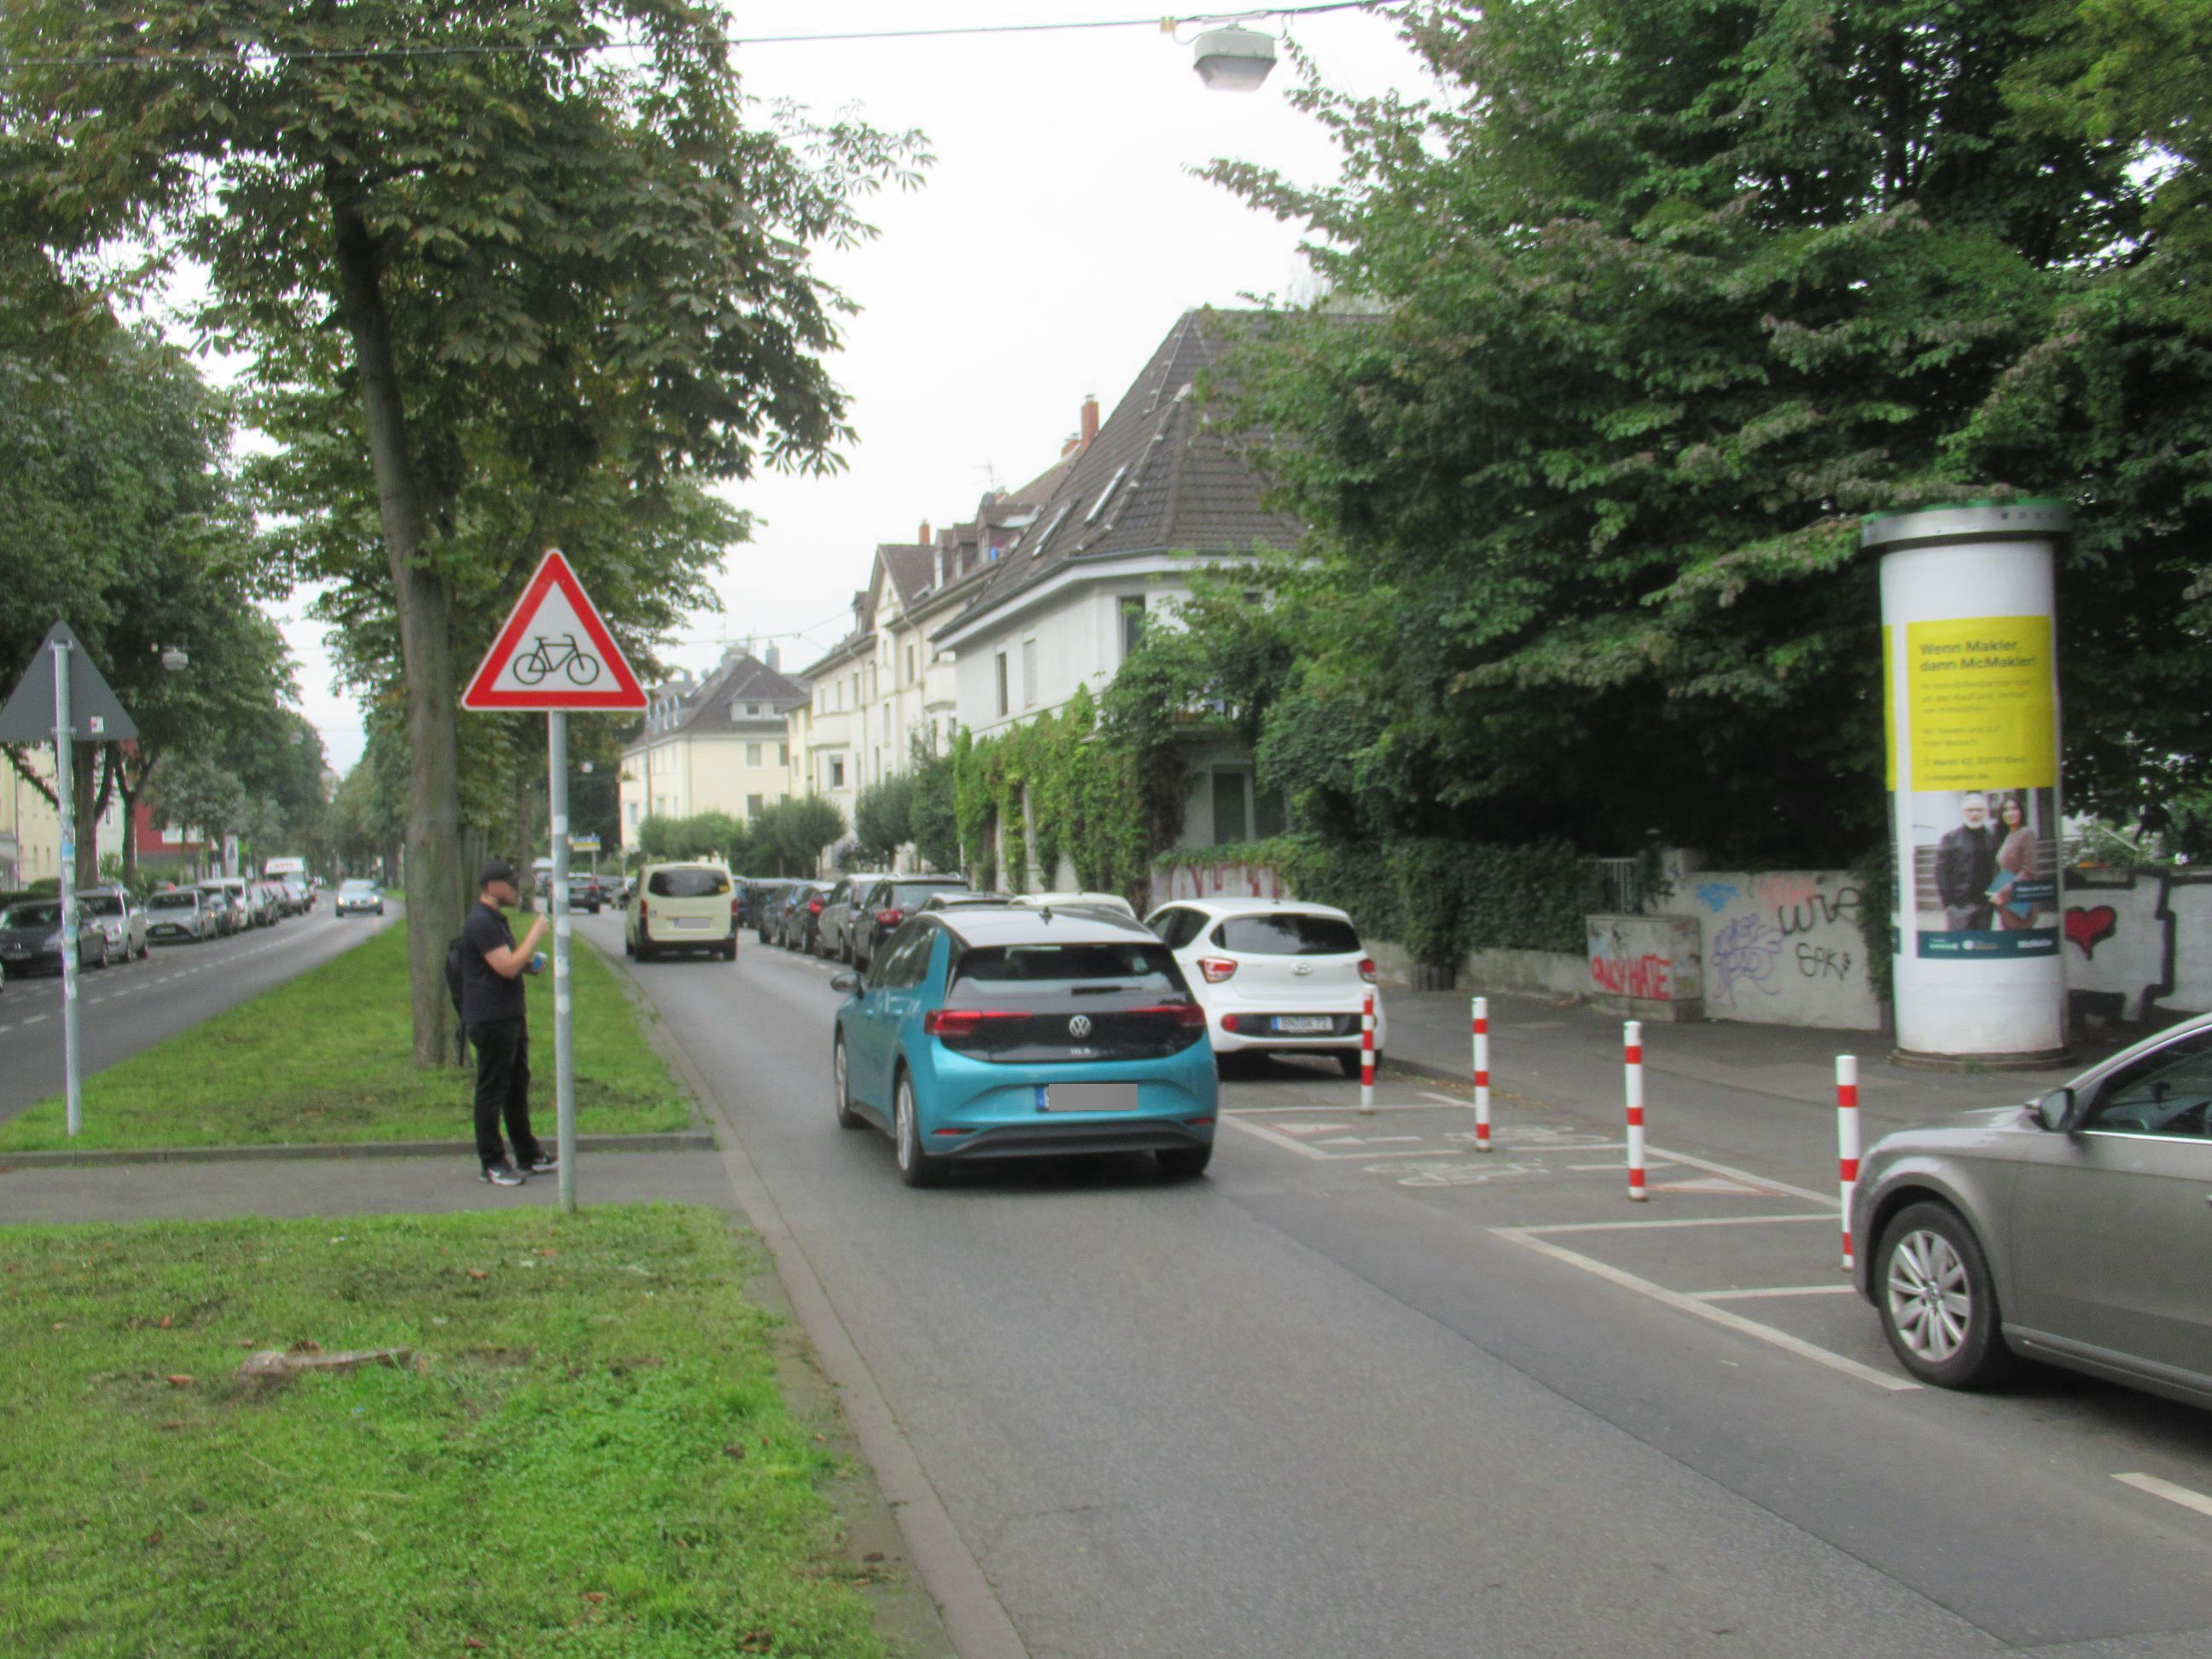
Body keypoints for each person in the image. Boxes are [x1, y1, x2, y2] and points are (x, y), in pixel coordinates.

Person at [461, 857, 556, 1185]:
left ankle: (527, 1153)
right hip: (491, 1019)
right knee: (492, 1089)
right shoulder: (481, 923)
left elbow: (509, 963)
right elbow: (506, 967)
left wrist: (529, 964)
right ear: (492, 887)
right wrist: (535, 934)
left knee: (516, 1085)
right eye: (512, 884)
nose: (517, 890)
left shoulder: (496, 921)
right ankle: (492, 1162)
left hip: (509, 1015)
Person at [1934, 791, 1998, 931]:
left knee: (1983, 943)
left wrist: (1993, 899)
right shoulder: (1950, 839)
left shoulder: (1993, 838)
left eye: (1979, 810)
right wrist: (1949, 905)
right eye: (1970, 810)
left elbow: (2000, 868)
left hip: (1985, 907)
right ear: (1963, 812)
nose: (1974, 814)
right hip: (1959, 907)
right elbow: (1941, 873)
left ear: (1985, 812)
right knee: (1959, 943)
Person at [1992, 791, 2040, 930]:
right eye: (2006, 810)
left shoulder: (2026, 833)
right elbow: (2003, 869)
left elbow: (2029, 871)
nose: (2010, 813)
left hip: (2020, 901)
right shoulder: (2007, 836)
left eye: (2014, 808)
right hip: (2006, 902)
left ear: (2021, 812)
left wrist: (2002, 892)